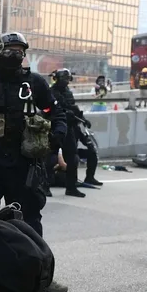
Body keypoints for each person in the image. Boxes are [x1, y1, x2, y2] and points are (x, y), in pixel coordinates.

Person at [0, 32, 69, 292]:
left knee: (30, 221)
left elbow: (56, 112)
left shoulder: (34, 83)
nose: (13, 55)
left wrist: (56, 138)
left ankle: (39, 276)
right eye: (8, 49)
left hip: (23, 165)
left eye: (18, 51)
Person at [51, 69, 88, 198]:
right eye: (64, 79)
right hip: (55, 126)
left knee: (73, 157)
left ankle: (71, 187)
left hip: (69, 127)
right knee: (50, 157)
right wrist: (62, 113)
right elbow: (48, 108)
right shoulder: (51, 92)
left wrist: (83, 119)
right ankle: (44, 186)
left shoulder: (67, 92)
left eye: (68, 79)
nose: (66, 81)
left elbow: (73, 107)